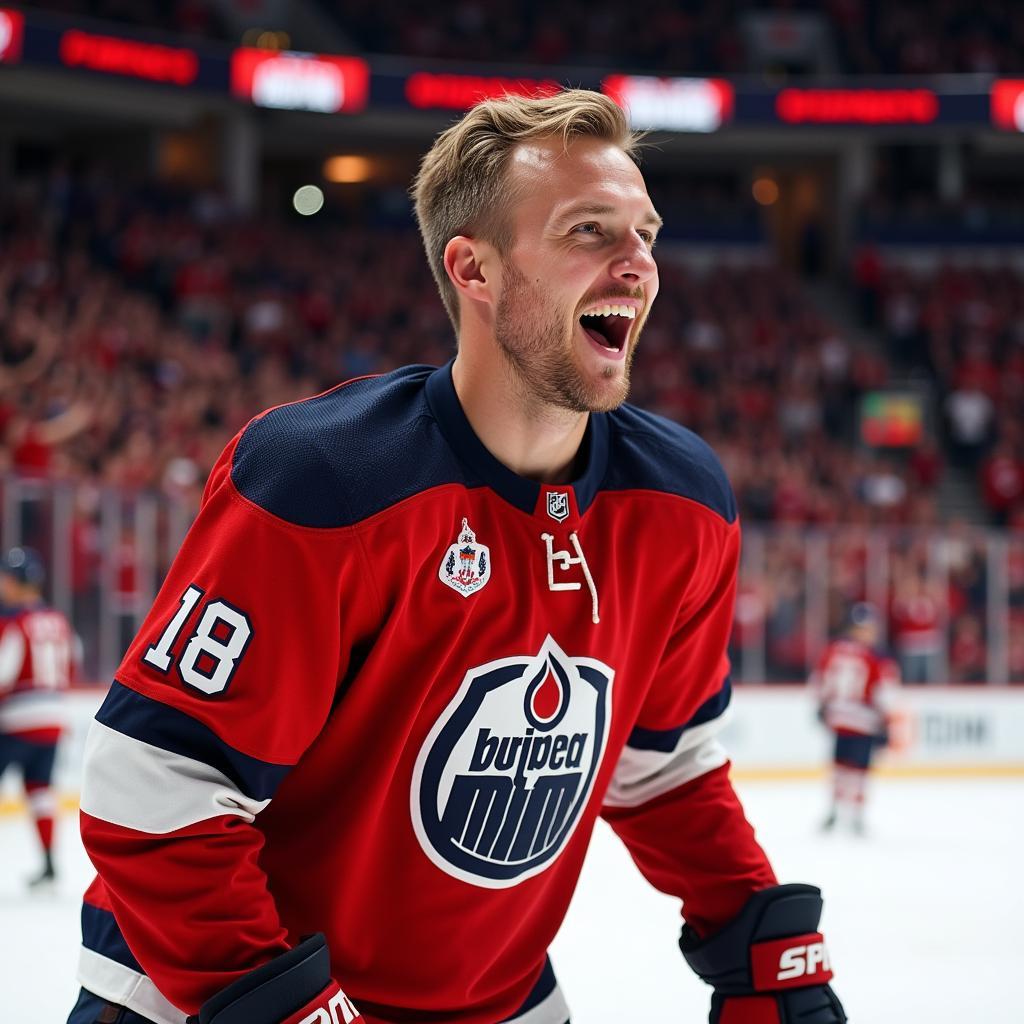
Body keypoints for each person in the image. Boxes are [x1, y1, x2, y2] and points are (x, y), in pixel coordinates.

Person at [70, 91, 846, 1024]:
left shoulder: (682, 501)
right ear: (473, 270)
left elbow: (663, 760)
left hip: (498, 1000)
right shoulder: (326, 479)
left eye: (646, 232)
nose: (637, 263)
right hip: (212, 997)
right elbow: (152, 790)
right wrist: (283, 1006)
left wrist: (753, 931)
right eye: (588, 230)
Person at [0, 546, 77, 889]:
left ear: (18, 582)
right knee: (41, 790)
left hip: (18, 719)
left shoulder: (15, 622)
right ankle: (48, 864)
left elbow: (4, 673)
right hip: (53, 718)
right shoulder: (58, 620)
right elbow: (73, 661)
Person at [812, 602, 899, 835]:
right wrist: (886, 721)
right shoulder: (877, 657)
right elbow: (884, 693)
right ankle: (856, 815)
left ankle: (834, 811)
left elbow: (820, 680)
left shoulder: (833, 650)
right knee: (859, 770)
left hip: (838, 717)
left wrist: (822, 706)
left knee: (840, 767)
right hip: (864, 719)